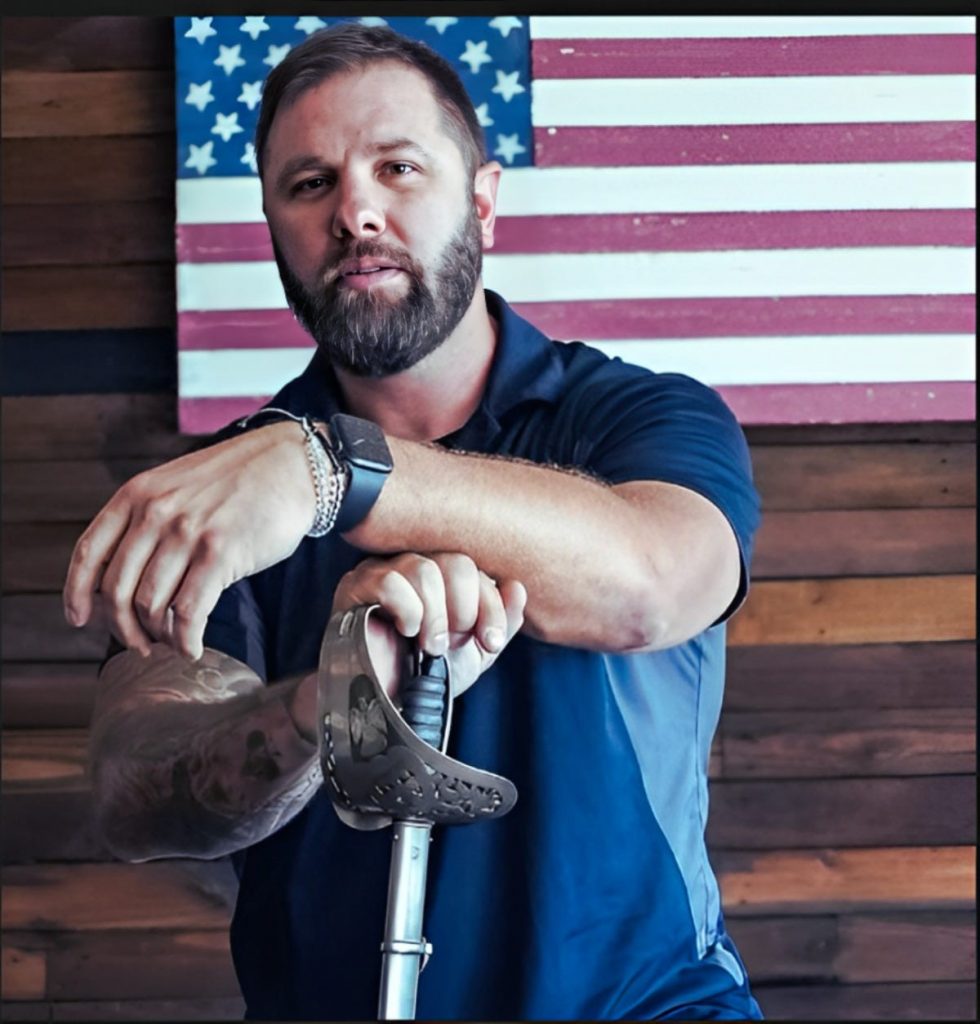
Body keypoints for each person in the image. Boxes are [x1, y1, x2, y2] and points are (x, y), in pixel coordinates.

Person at [65, 22, 763, 1021]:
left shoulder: (635, 417)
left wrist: (328, 474)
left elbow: (655, 581)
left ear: (481, 197)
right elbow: (136, 788)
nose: (355, 211)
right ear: (272, 229)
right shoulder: (223, 493)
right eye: (309, 185)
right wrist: (330, 704)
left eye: (397, 167)